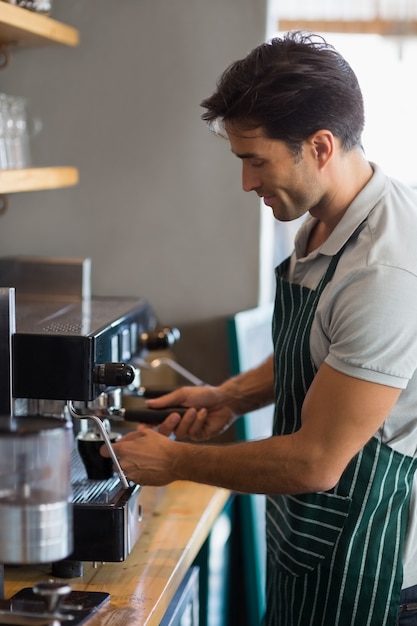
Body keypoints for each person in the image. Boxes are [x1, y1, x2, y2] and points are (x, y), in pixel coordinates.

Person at [102, 32, 417, 625]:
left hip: (373, 575)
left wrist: (174, 462)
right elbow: (322, 352)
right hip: (310, 541)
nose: (247, 184)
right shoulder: (323, 224)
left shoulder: (386, 270)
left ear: (319, 146)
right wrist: (229, 396)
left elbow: (316, 463)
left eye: (256, 160)